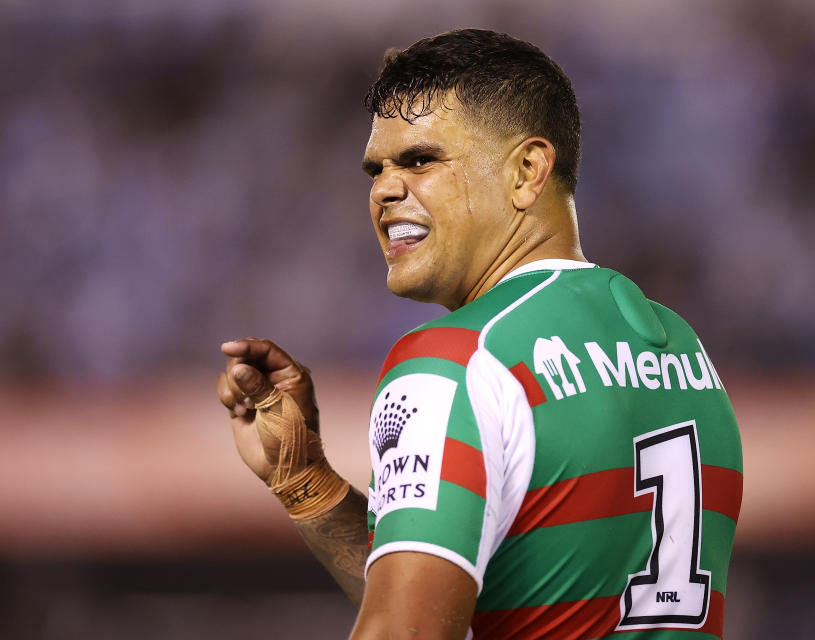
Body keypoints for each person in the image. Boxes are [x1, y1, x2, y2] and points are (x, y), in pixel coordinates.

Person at [216, 29, 742, 640]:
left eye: (420, 160)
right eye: (376, 168)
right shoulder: (683, 350)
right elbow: (450, 604)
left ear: (526, 171)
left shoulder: (458, 360)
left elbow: (405, 631)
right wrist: (308, 487)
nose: (383, 189)